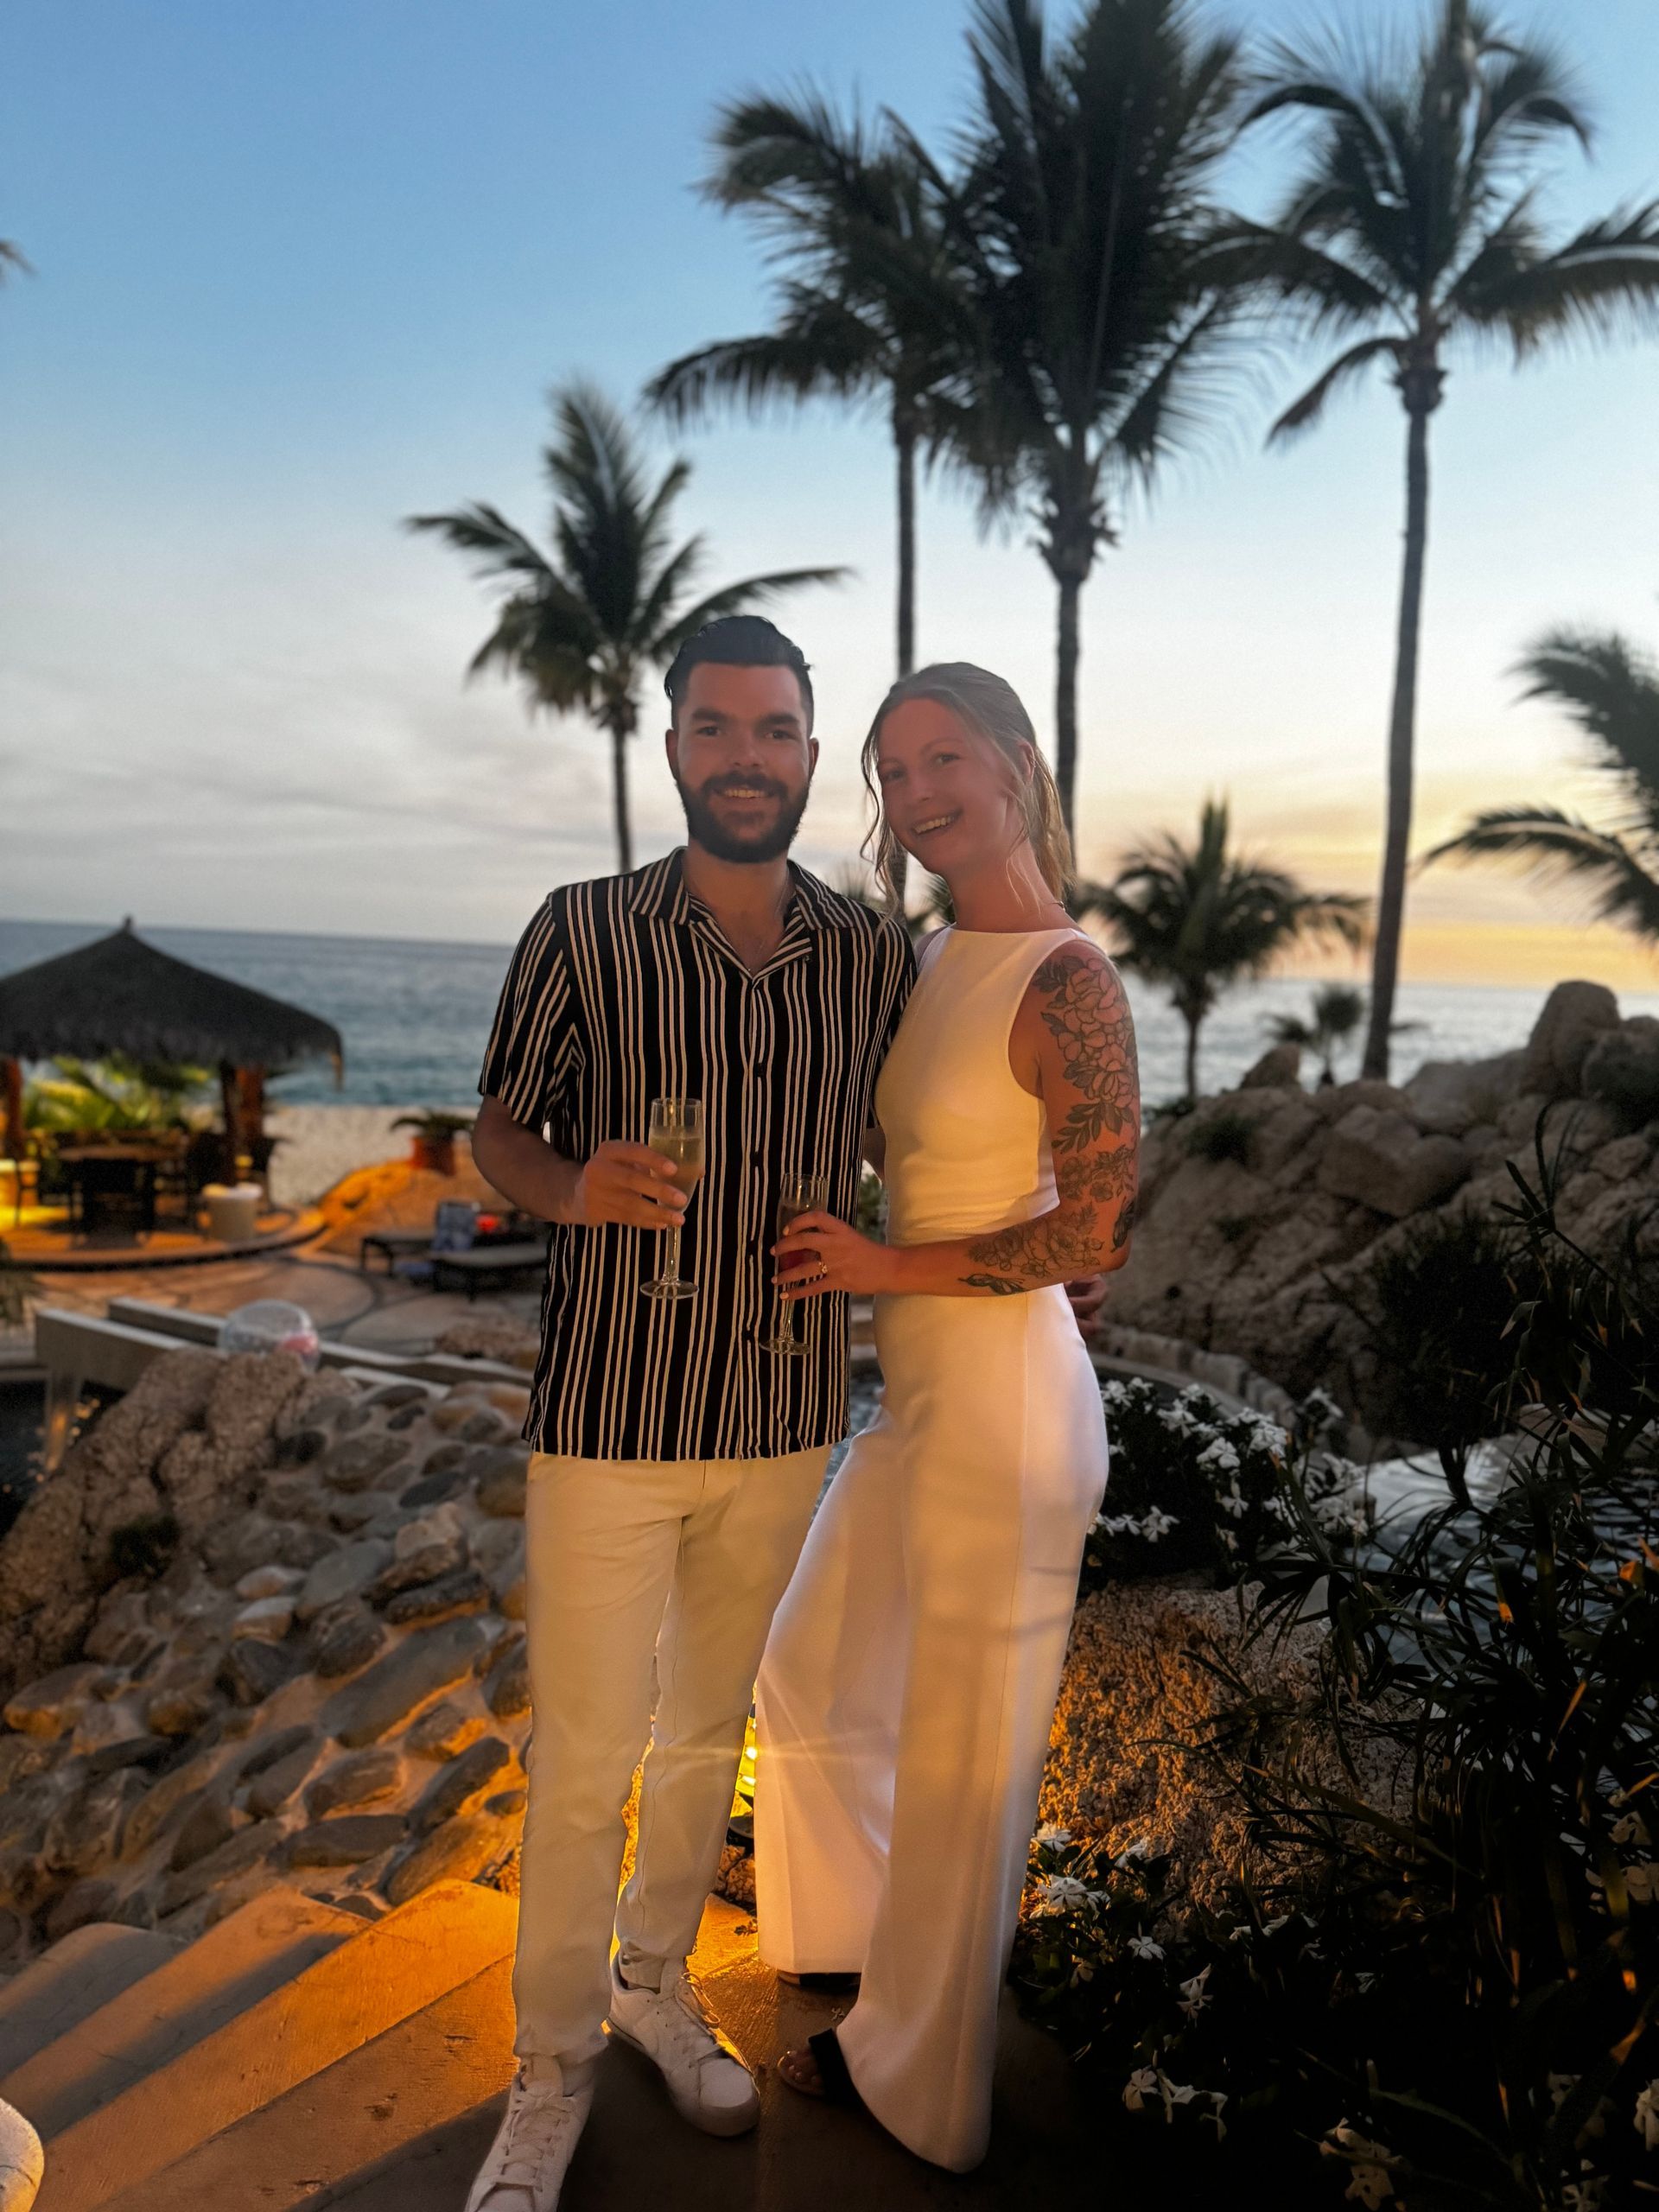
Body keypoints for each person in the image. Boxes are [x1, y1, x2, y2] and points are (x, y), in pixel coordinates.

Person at [461, 615, 915, 2212]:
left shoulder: (871, 955)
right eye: (715, 729)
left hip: (789, 1409)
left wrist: (1018, 1259)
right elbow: (497, 1135)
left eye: (776, 730)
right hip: (606, 1413)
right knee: (584, 1748)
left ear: (808, 751)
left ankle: (653, 1984)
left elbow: (907, 1146)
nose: (746, 756)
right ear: (674, 751)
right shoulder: (579, 932)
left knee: (705, 1733)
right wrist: (575, 1183)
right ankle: (548, 2065)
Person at [756, 662, 1139, 2172]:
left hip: (1009, 1412)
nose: (916, 797)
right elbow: (938, 1151)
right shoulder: (922, 964)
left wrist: (883, 1266)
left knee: (969, 1761)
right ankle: (868, 1964)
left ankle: (923, 2085)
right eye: (892, 771)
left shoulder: (1071, 975)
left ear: (1016, 761)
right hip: (924, 1403)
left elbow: (1097, 1226)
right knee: (810, 1664)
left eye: (942, 759)